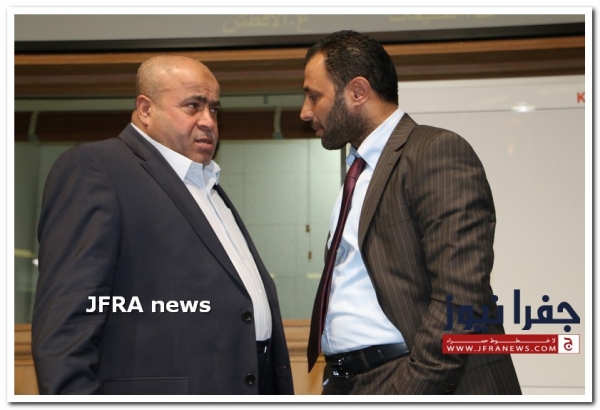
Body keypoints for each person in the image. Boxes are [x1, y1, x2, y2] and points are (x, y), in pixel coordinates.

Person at [32, 55, 294, 395]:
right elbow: (66, 326)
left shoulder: (206, 184)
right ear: (145, 109)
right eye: (193, 106)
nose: (208, 121)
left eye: (214, 109)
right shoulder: (97, 169)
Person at [301, 30, 521, 395]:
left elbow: (460, 295)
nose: (305, 111)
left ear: (357, 92)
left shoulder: (434, 151)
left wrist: (408, 391)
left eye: (314, 95)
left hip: (411, 379)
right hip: (351, 382)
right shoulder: (358, 172)